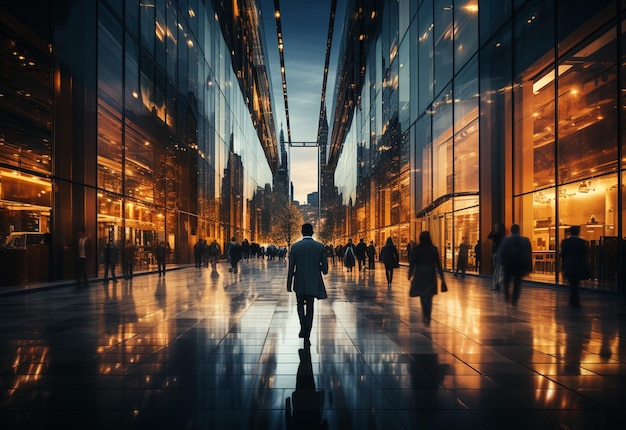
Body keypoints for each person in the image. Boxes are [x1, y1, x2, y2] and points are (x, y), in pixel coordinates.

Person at [286, 223, 328, 346]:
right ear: (313, 232)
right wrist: (318, 268)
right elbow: (325, 269)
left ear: (302, 232)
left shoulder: (295, 247)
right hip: (313, 281)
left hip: (299, 281)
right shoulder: (319, 246)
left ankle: (302, 326)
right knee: (310, 305)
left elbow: (291, 267)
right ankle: (308, 329)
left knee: (299, 304)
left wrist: (289, 283)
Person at [408, 231, 445, 325]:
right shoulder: (433, 249)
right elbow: (438, 265)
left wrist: (410, 274)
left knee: (422, 295)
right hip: (430, 274)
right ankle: (428, 314)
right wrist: (442, 278)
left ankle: (425, 313)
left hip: (420, 273)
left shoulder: (417, 249)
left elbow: (412, 263)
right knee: (429, 296)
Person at [498, 223, 532, 306]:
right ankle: (514, 299)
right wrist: (529, 267)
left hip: (508, 264)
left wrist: (501, 263)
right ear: (519, 231)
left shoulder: (505, 240)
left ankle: (506, 294)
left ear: (511, 230)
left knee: (506, 280)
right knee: (517, 282)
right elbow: (528, 254)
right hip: (519, 264)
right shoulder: (525, 240)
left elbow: (501, 252)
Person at [560, 225, 588, 307]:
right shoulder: (582, 242)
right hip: (578, 266)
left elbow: (563, 254)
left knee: (572, 283)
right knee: (575, 283)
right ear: (578, 232)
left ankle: (573, 299)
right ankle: (575, 300)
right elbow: (585, 254)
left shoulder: (565, 242)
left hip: (568, 266)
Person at [488, 223, 506, 290]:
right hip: (500, 253)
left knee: (496, 269)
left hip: (496, 253)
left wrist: (492, 231)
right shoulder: (502, 236)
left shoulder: (496, 235)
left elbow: (489, 236)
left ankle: (496, 284)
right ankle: (499, 283)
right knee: (500, 269)